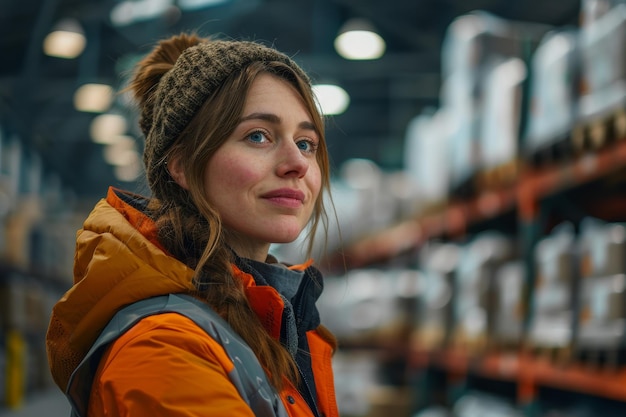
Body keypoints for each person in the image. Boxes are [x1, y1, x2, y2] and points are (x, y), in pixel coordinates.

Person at [46, 31, 339, 417]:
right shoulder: (163, 349)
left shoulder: (278, 321)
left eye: (306, 143)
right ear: (181, 164)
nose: (298, 163)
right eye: (258, 136)